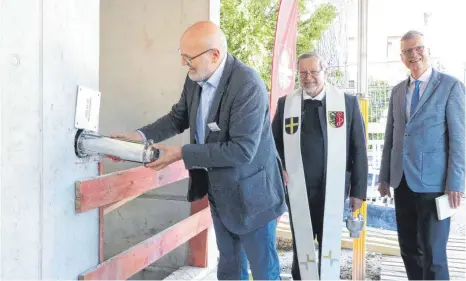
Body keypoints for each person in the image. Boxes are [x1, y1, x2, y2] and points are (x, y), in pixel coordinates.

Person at [110, 21, 286, 280]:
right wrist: (140, 136)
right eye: (181, 55)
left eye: (188, 57)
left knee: (264, 272)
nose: (184, 63)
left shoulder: (247, 85)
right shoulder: (196, 76)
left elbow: (241, 151)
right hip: (220, 194)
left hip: (254, 198)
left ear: (215, 55)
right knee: (229, 269)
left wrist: (182, 153)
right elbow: (177, 118)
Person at [271, 52, 368, 280]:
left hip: (332, 192)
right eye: (303, 73)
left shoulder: (347, 103)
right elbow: (272, 145)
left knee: (329, 251)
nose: (308, 77)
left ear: (324, 71)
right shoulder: (287, 105)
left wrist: (359, 192)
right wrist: (279, 169)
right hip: (298, 192)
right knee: (301, 252)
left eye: (314, 71)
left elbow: (359, 150)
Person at [378, 30, 465, 280]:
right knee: (408, 250)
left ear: (428, 50)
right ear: (402, 57)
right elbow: (391, 138)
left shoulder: (450, 86)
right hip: (402, 182)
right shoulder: (397, 91)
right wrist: (384, 176)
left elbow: (460, 141)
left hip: (435, 186)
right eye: (407, 51)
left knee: (434, 255)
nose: (413, 54)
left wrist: (455, 183)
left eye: (418, 48)